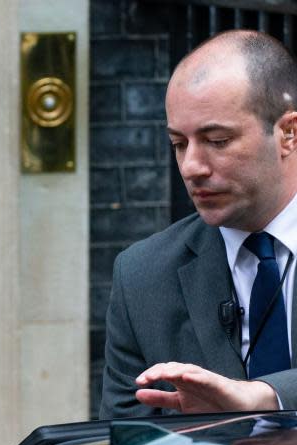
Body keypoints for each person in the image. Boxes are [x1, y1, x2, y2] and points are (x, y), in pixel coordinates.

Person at [100, 29, 297, 419]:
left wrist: (266, 396)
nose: (191, 167)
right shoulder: (142, 276)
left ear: (288, 134)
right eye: (179, 143)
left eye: (217, 140)